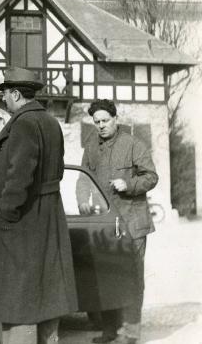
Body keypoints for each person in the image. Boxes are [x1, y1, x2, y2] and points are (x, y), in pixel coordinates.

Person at [0, 66, 77, 344]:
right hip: (48, 212)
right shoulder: (50, 122)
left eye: (4, 94)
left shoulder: (23, 123)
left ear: (15, 93)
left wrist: (5, 212)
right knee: (46, 291)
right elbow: (59, 169)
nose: (2, 100)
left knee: (20, 295)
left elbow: (20, 175)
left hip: (24, 217)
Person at [80, 99, 158, 344]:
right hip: (105, 224)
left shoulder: (134, 144)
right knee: (107, 277)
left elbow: (152, 177)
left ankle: (130, 333)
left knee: (131, 278)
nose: (101, 126)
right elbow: (83, 180)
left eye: (105, 120)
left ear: (115, 119)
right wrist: (82, 200)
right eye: (97, 122)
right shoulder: (91, 146)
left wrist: (130, 184)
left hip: (132, 222)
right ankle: (110, 331)